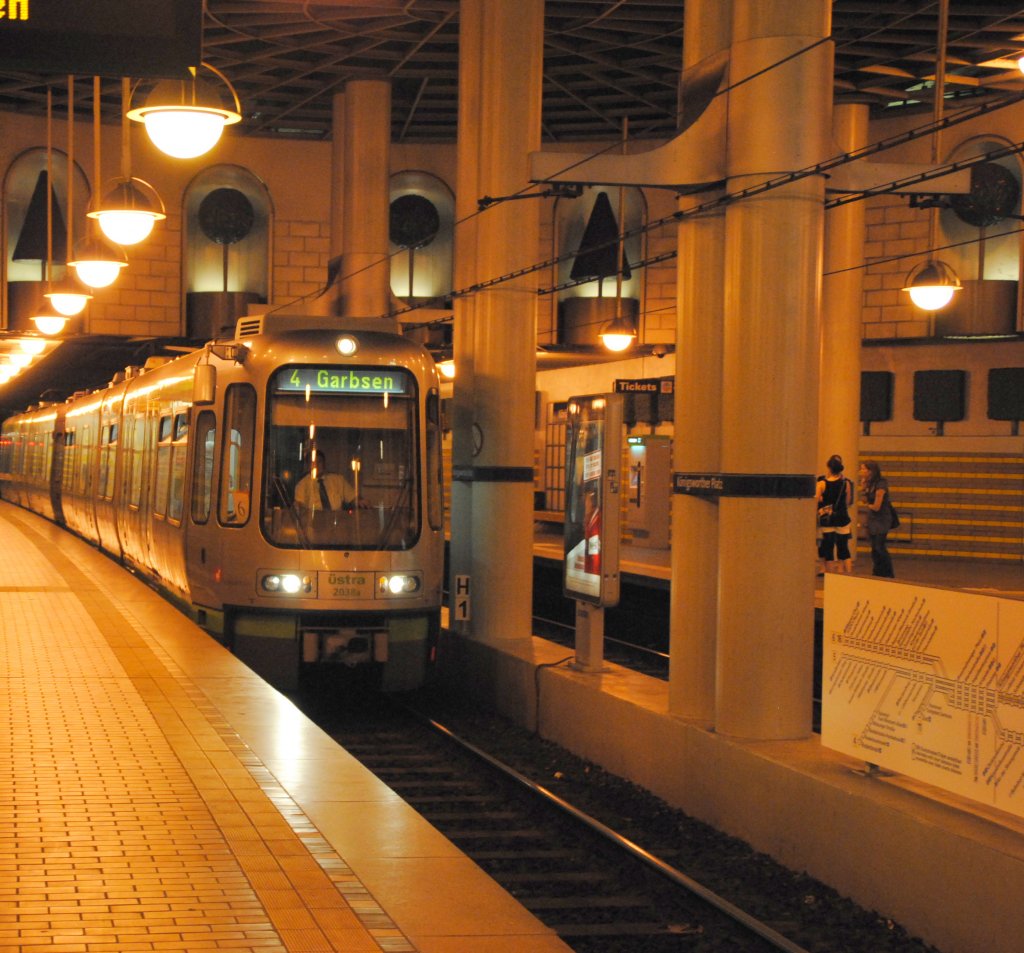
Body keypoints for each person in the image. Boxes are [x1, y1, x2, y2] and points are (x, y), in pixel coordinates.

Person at [816, 454, 853, 574]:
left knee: (828, 547)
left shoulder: (821, 483)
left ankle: (830, 576)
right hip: (842, 518)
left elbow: (815, 501)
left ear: (829, 468)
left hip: (828, 519)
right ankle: (848, 574)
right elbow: (848, 501)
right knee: (843, 548)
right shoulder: (845, 483)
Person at [859, 459, 895, 578]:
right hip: (873, 519)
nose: (861, 471)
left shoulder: (881, 484)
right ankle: (877, 571)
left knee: (879, 546)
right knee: (874, 547)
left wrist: (868, 505)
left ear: (871, 471)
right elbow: (865, 500)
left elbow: (876, 506)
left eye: (864, 469)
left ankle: (888, 572)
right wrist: (863, 487)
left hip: (882, 518)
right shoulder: (870, 484)